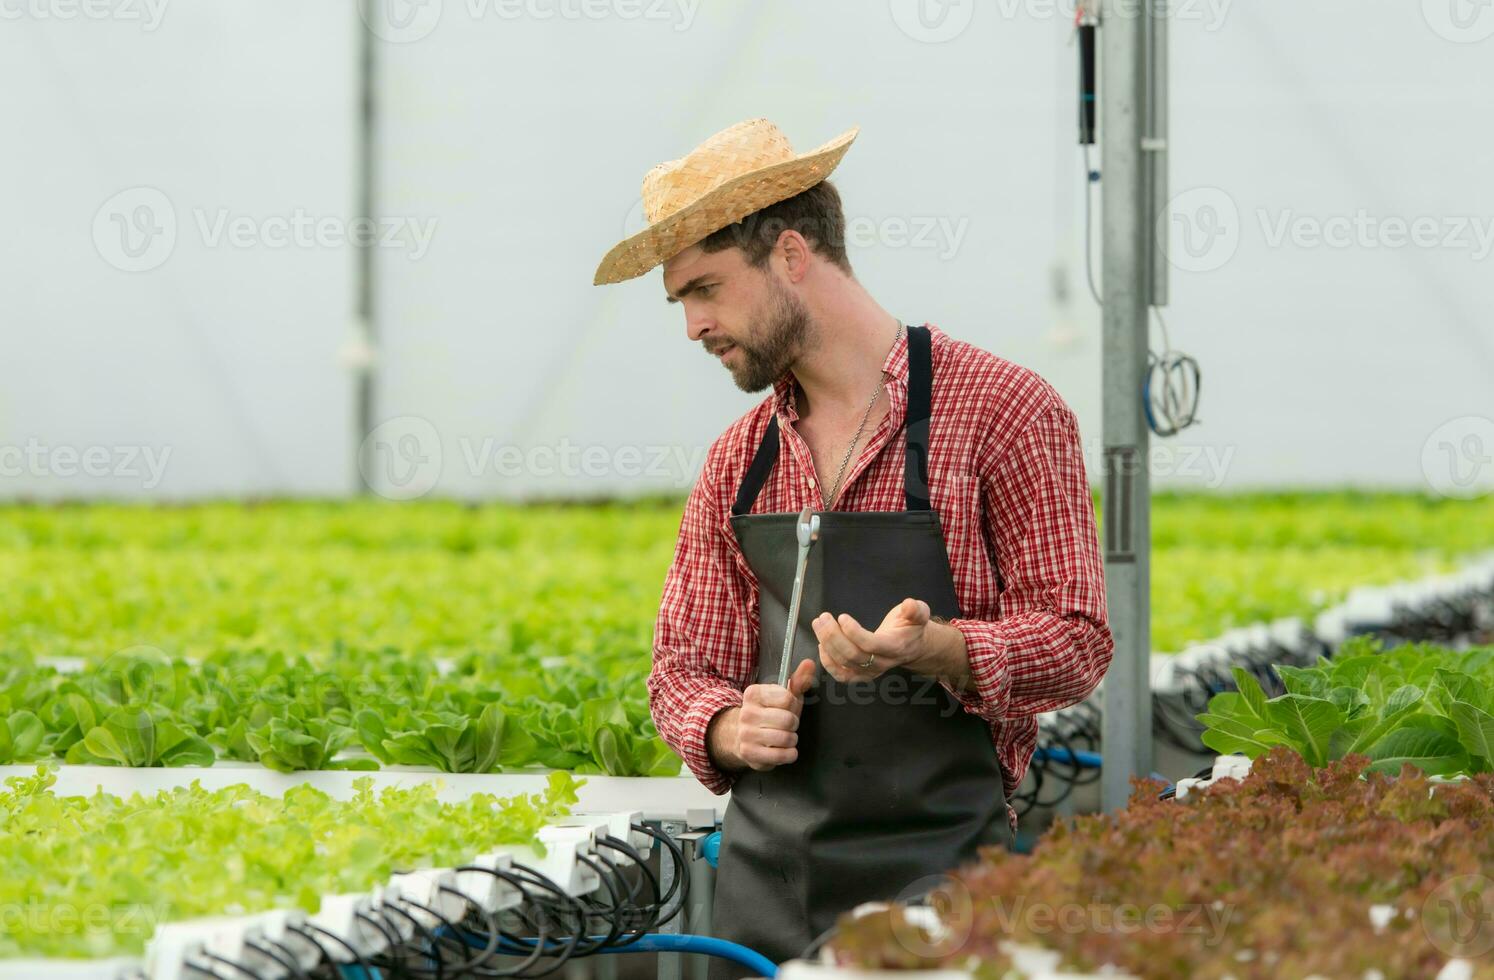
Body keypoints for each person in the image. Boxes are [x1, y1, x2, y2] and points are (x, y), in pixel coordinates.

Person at [593, 118, 1114, 975]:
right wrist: (725, 726)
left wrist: (941, 648)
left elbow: (1078, 640)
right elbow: (681, 668)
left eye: (706, 289)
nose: (692, 325)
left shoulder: (1003, 412)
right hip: (762, 896)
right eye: (680, 300)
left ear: (791, 255)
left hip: (944, 881)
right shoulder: (737, 460)